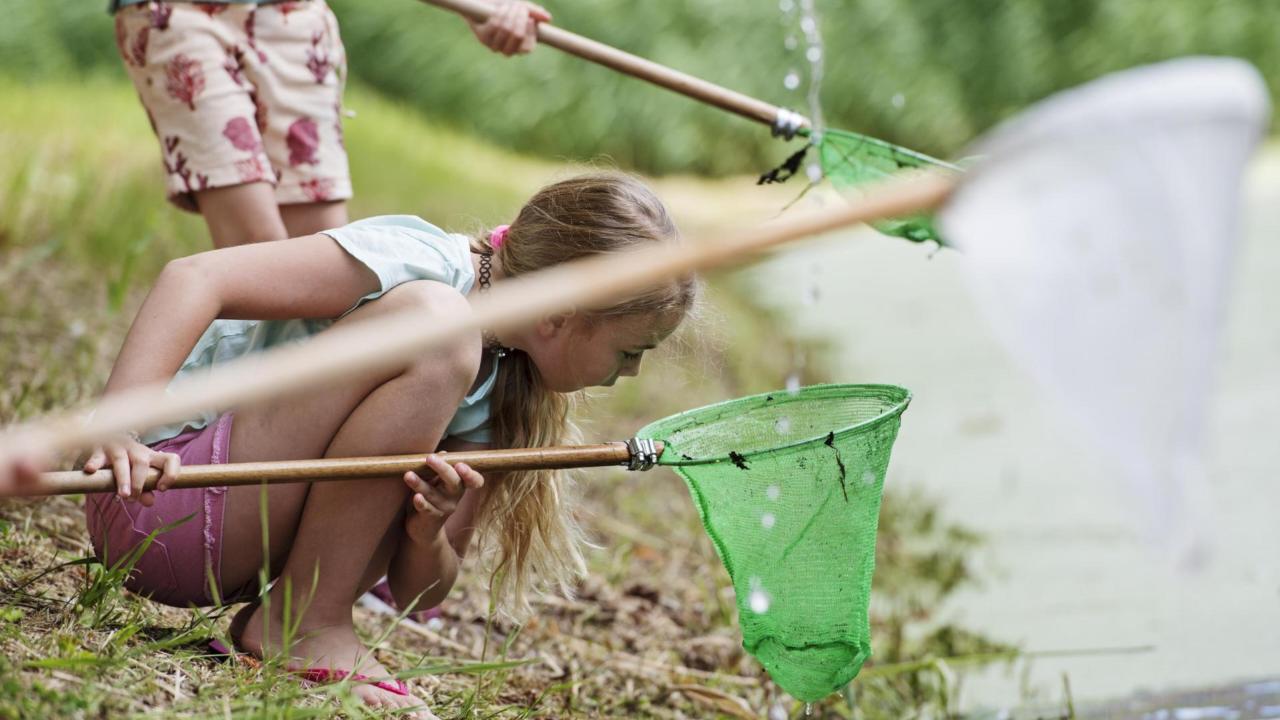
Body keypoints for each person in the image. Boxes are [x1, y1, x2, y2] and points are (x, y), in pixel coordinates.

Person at [81, 172, 696, 717]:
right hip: (160, 497)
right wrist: (118, 427)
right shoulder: (422, 267)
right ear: (559, 314)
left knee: (445, 337)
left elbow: (418, 596)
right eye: (630, 351)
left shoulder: (508, 374)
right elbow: (196, 276)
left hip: (237, 549)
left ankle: (297, 620)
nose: (632, 373)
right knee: (439, 324)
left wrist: (426, 532)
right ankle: (304, 624)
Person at [110, 0, 550, 250]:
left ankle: (301, 404)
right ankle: (235, 405)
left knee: (318, 251)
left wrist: (484, 7)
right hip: (179, 15)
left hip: (294, 21)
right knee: (257, 250)